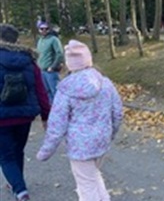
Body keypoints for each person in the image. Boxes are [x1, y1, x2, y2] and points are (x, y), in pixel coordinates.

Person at [36, 40, 123, 201]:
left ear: (69, 64)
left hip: (80, 146)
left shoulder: (65, 89)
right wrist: (110, 134)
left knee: (86, 186)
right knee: (93, 176)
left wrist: (45, 151)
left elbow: (57, 125)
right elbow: (117, 114)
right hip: (101, 141)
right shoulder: (106, 83)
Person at [0, 23, 50, 201]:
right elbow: (41, 90)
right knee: (18, 150)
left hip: (1, 118)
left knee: (5, 156)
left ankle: (20, 191)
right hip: (25, 115)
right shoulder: (29, 60)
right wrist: (46, 115)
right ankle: (15, 181)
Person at [36, 22, 64, 102]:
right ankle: (51, 111)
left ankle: (60, 110)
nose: (44, 30)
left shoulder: (54, 39)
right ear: (39, 30)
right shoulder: (40, 40)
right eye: (42, 29)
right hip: (42, 70)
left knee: (55, 92)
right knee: (46, 92)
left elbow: (59, 54)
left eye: (46, 28)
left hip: (51, 71)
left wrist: (53, 66)